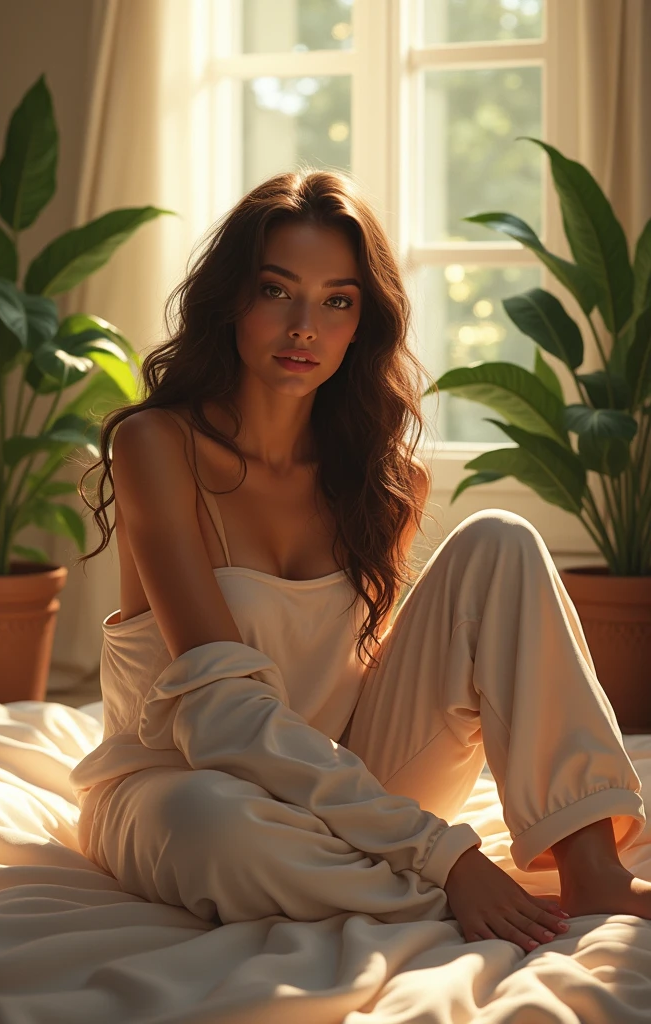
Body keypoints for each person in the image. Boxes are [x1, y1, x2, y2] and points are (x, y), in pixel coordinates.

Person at [69, 168, 649, 954]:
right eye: (277, 291)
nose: (304, 326)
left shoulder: (380, 478)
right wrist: (447, 856)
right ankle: (468, 898)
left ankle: (590, 869)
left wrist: (408, 811)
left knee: (501, 538)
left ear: (360, 323)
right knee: (212, 824)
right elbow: (218, 714)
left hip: (345, 779)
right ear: (232, 298)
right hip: (181, 780)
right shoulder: (157, 446)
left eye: (337, 300)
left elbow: (355, 673)